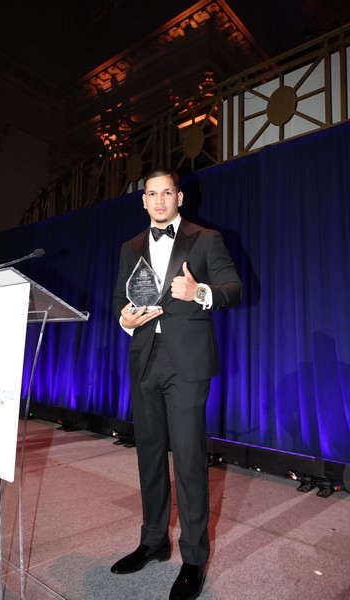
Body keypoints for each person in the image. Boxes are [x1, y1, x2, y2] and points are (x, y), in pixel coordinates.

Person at [112, 167, 242, 600]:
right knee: (149, 456)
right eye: (152, 194)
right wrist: (125, 319)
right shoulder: (130, 247)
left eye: (167, 192)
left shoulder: (205, 239)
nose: (159, 200)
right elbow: (119, 301)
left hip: (187, 364)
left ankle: (194, 557)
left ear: (179, 198)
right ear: (143, 201)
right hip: (145, 360)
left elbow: (234, 289)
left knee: (187, 461)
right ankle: (153, 541)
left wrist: (200, 292)